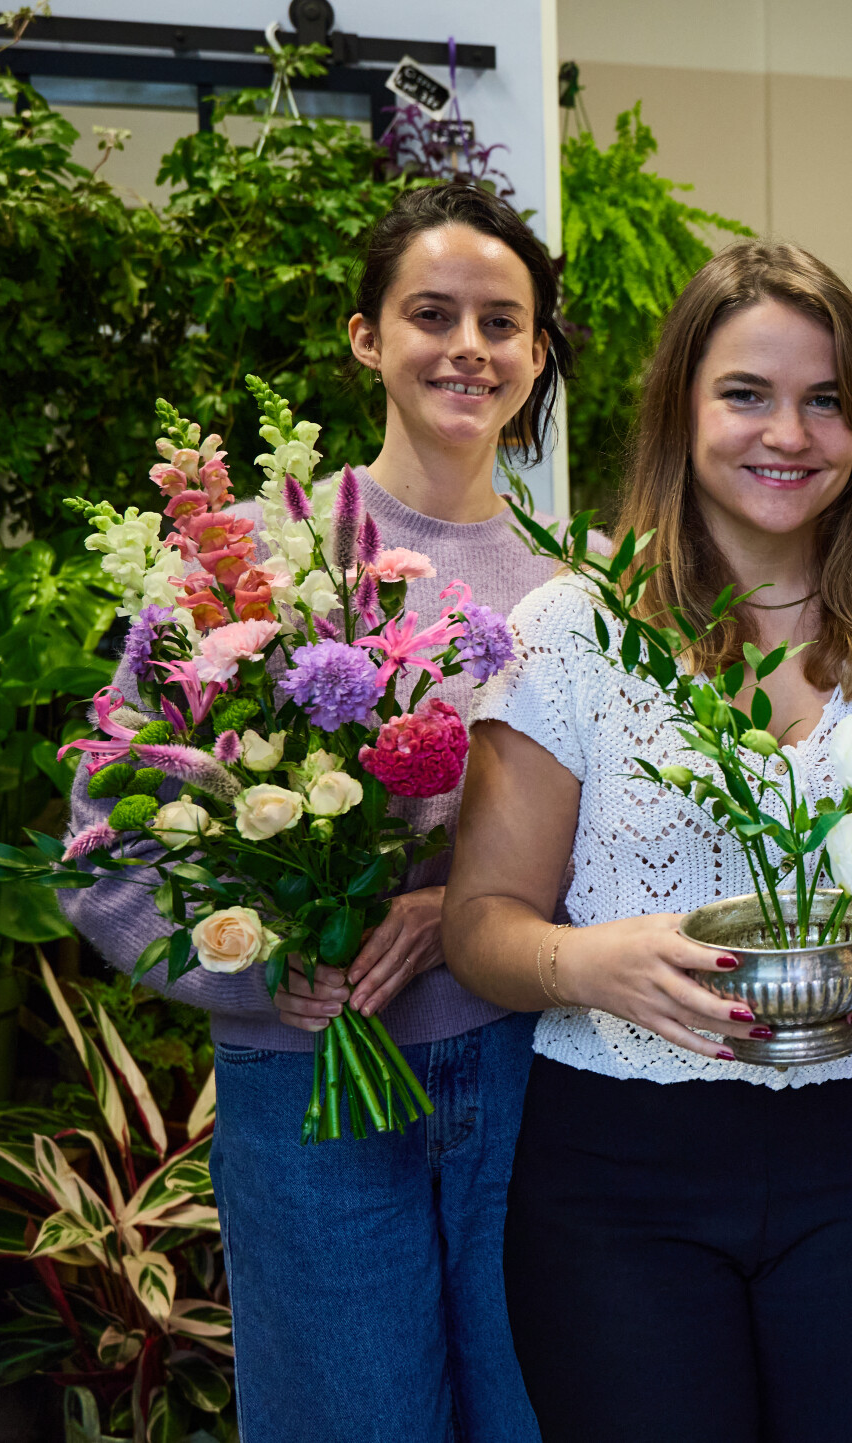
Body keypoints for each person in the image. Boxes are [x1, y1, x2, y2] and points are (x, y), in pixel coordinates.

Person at [62, 180, 573, 1442]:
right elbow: (111, 833)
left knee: (537, 1412)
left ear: (537, 352)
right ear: (366, 337)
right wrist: (263, 961)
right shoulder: (250, 560)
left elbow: (607, 851)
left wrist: (453, 903)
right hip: (308, 1083)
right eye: (432, 313)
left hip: (517, 1074)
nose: (469, 347)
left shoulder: (572, 590)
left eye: (502, 322)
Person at [442, 240, 852, 1443]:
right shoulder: (570, 629)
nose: (788, 431)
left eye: (826, 399)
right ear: (681, 406)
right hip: (619, 1171)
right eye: (746, 392)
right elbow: (479, 924)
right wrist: (590, 962)